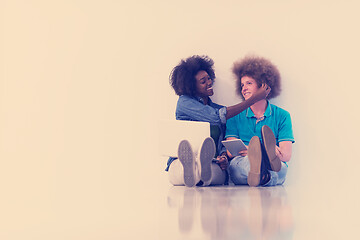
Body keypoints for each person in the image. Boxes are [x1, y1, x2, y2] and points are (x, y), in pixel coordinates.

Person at [165, 55, 270, 187]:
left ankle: (199, 171)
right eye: (203, 81)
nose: (209, 82)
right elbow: (217, 116)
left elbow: (223, 142)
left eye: (209, 78)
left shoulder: (216, 108)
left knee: (216, 173)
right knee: (180, 169)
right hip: (180, 160)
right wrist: (253, 99)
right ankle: (191, 166)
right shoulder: (185, 102)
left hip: (211, 162)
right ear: (191, 86)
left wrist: (223, 157)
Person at [225, 55, 295, 187]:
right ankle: (264, 174)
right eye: (242, 85)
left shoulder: (282, 116)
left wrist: (254, 151)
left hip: (272, 162)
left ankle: (261, 173)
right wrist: (258, 151)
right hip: (243, 161)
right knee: (236, 166)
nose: (244, 88)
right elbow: (230, 152)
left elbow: (286, 156)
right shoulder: (235, 115)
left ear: (263, 86)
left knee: (282, 168)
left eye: (249, 83)